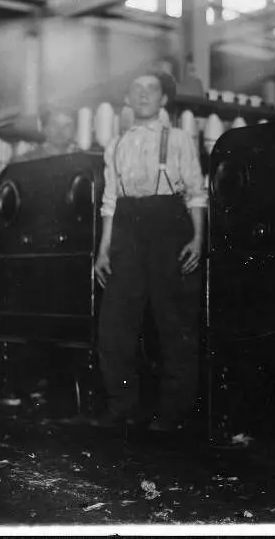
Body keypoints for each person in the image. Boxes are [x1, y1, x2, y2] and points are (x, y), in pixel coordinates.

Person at [93, 69, 207, 432]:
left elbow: (195, 193)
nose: (144, 94)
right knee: (116, 322)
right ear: (127, 99)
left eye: (152, 89)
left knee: (173, 321)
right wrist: (104, 250)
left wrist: (197, 239)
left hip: (167, 226)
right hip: (126, 229)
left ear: (163, 100)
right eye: (136, 88)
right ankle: (121, 407)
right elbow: (110, 202)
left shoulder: (178, 139)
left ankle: (174, 413)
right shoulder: (116, 144)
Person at [12, 106, 79, 162]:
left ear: (74, 131)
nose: (60, 131)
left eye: (67, 125)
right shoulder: (27, 161)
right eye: (54, 124)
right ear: (44, 128)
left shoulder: (82, 161)